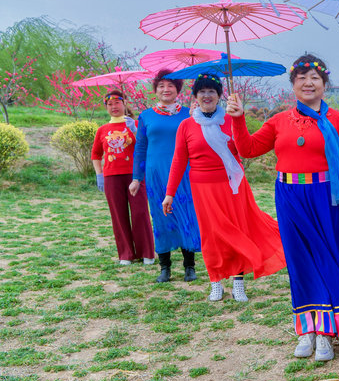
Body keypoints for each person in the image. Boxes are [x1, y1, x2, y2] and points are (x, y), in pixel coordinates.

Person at [226, 55, 339, 362]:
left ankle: (327, 332)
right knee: (300, 263)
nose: (308, 82)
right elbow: (247, 149)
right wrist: (237, 118)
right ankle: (306, 329)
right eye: (301, 77)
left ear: (325, 85)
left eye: (314, 77)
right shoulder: (277, 121)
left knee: (329, 259)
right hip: (289, 197)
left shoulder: (338, 121)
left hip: (328, 198)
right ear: (293, 85)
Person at [162, 74, 285, 302]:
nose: (207, 95)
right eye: (202, 91)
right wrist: (169, 193)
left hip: (233, 186)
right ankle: (215, 280)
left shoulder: (231, 120)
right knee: (211, 235)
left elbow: (244, 148)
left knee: (237, 230)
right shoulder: (186, 126)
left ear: (220, 96)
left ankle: (238, 281)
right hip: (202, 188)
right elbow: (178, 161)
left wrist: (238, 120)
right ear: (195, 96)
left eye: (212, 91)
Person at [130, 70, 201, 283]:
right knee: (160, 217)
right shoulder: (145, 116)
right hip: (155, 175)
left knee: (186, 216)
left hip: (184, 173)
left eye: (170, 85)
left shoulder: (190, 113)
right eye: (161, 85)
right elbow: (140, 147)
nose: (166, 89)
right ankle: (165, 267)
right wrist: (136, 178)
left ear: (178, 89)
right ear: (155, 90)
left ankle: (189, 266)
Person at [91, 90, 155, 266]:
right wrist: (99, 174)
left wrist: (135, 130)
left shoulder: (135, 124)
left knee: (140, 212)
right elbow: (96, 154)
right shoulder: (102, 130)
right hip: (111, 177)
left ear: (125, 103)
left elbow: (147, 147)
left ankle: (146, 252)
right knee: (118, 215)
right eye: (110, 105)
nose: (114, 107)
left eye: (117, 103)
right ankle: (126, 254)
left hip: (135, 176)